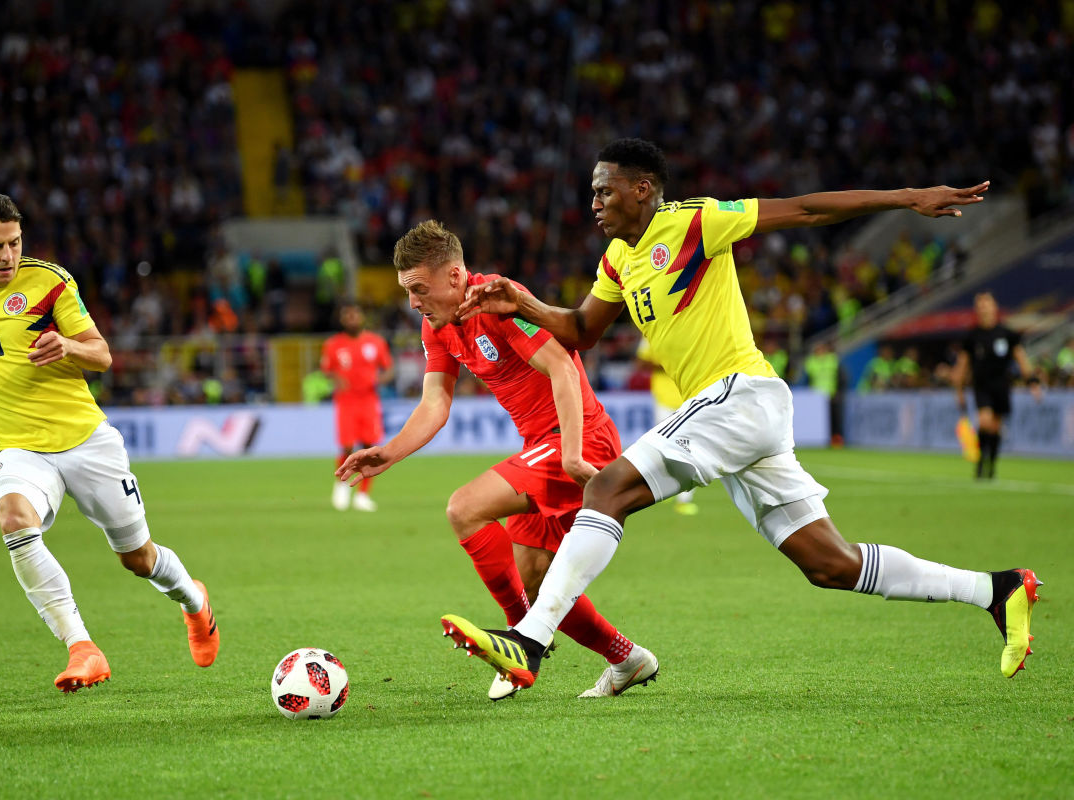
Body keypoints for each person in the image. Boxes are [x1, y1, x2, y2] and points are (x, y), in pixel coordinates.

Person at [441, 138, 1041, 691]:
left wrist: (909, 198)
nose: (594, 201)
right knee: (830, 563)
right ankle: (996, 589)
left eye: (605, 189)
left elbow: (805, 209)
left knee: (607, 488)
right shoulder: (618, 261)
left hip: (738, 394)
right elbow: (581, 331)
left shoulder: (694, 222)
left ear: (642, 188)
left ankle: (530, 641)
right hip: (737, 417)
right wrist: (525, 302)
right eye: (593, 191)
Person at [338, 220, 657, 700]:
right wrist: (389, 453)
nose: (413, 303)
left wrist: (571, 452)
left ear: (455, 277)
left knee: (464, 507)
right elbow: (434, 405)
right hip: (542, 447)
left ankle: (517, 643)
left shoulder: (500, 300)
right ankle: (626, 657)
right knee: (540, 577)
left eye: (419, 289)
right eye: (407, 291)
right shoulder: (437, 325)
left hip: (581, 438)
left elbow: (563, 371)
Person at [0, 191, 219, 693]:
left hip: (86, 441)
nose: (8, 256)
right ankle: (83, 648)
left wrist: (68, 345)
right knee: (14, 521)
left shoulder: (49, 282)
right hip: (17, 449)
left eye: (14, 242)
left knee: (137, 558)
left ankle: (194, 601)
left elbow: (102, 356)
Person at [951, 291, 1043, 480]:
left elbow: (1021, 359)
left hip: (1001, 386)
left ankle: (991, 464)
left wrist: (1032, 382)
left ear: (994, 307)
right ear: (976, 310)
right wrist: (958, 389)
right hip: (981, 385)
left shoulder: (1007, 333)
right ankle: (980, 461)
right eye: (980, 305)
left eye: (987, 304)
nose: (983, 308)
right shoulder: (973, 336)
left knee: (995, 427)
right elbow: (963, 365)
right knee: (984, 421)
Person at [321, 303, 393, 511]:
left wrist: (381, 379)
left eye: (355, 315)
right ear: (343, 320)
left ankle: (363, 495)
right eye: (348, 316)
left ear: (362, 318)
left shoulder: (375, 342)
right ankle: (342, 485)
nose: (352, 319)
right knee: (347, 446)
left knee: (370, 448)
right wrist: (337, 378)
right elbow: (327, 369)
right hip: (346, 401)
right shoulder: (334, 344)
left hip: (369, 401)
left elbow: (388, 368)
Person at [636, 337, 697, 514]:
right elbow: (640, 362)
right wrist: (669, 364)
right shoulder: (651, 334)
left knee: (688, 448)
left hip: (689, 397)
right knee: (662, 448)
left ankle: (684, 500)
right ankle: (664, 488)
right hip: (663, 400)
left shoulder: (690, 331)